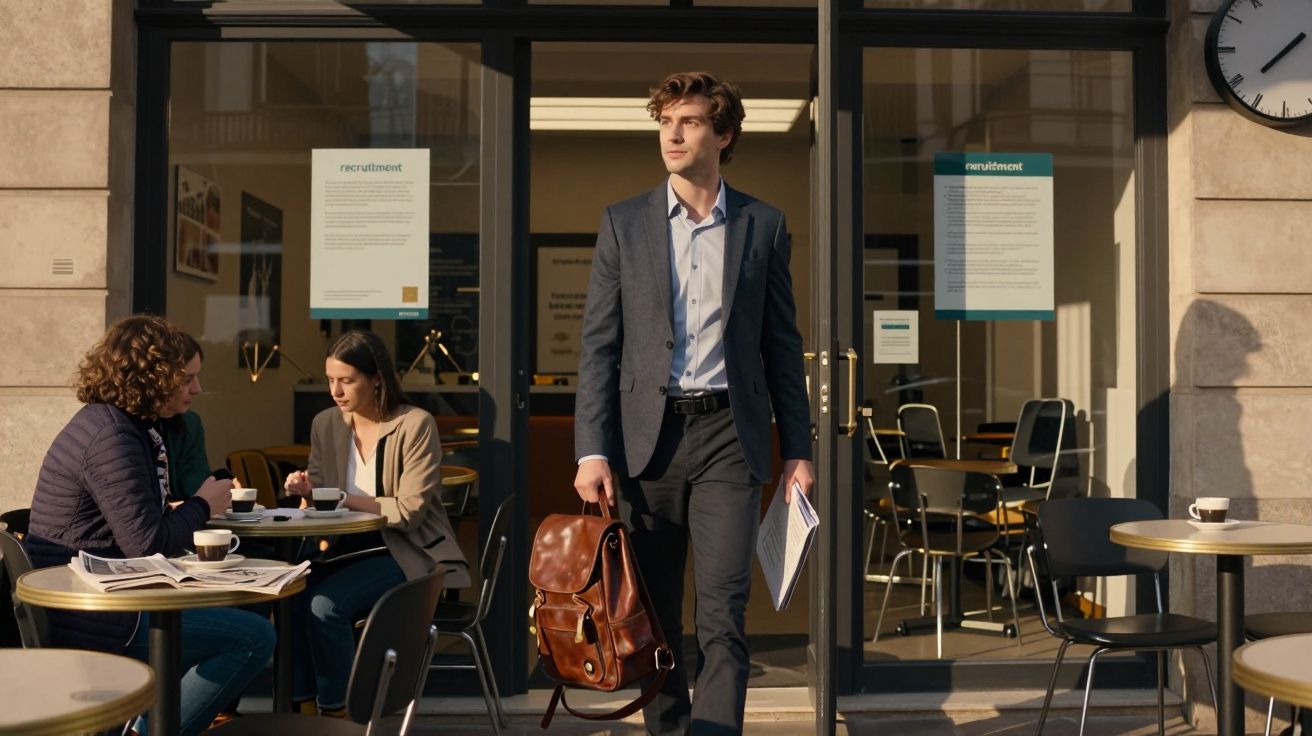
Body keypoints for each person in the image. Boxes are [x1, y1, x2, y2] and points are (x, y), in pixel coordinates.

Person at [573, 71, 815, 735]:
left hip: (730, 439)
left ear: (724, 134)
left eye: (690, 121)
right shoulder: (624, 223)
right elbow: (598, 345)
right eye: (665, 122)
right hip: (646, 443)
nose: (672, 134)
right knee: (652, 616)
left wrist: (797, 451)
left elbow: (782, 346)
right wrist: (591, 450)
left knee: (722, 614)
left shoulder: (763, 225)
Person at [24, 315, 275, 736]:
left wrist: (181, 508)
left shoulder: (112, 423)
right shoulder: (113, 436)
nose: (197, 389)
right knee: (255, 638)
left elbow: (129, 521)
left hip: (96, 601)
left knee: (243, 608)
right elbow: (147, 542)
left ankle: (143, 724)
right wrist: (203, 504)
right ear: (153, 378)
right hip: (96, 616)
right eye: (187, 379)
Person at [283, 329, 469, 716]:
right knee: (290, 596)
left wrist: (338, 497)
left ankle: (339, 712)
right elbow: (320, 499)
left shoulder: (414, 425)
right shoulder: (325, 424)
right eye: (330, 380)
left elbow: (409, 511)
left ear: (377, 379)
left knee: (324, 606)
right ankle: (301, 708)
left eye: (347, 381)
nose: (336, 391)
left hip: (406, 551)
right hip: (344, 547)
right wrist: (307, 491)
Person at [161, 333, 212, 499]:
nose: (197, 389)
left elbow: (197, 489)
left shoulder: (190, 424)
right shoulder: (124, 429)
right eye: (187, 380)